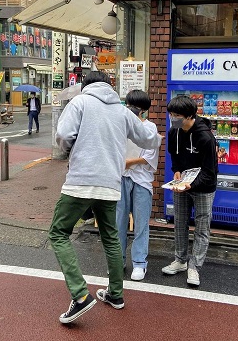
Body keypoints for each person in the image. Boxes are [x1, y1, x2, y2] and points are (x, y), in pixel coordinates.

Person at [49, 71, 162, 324]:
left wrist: (71, 152)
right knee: (111, 237)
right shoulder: (122, 111)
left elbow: (64, 135)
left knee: (58, 233)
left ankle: (80, 295)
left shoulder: (80, 102)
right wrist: (159, 136)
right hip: (111, 184)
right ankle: (116, 294)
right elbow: (148, 139)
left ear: (86, 86)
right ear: (110, 87)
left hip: (81, 181)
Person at [161, 95, 218, 286]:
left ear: (190, 116)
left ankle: (194, 266)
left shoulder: (205, 137)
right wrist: (176, 172)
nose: (173, 118)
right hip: (183, 183)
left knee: (202, 227)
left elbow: (210, 172)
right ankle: (180, 260)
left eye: (177, 115)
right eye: (171, 114)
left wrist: (190, 185)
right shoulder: (173, 132)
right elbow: (174, 156)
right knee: (180, 222)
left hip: (203, 186)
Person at [116, 90, 159, 281]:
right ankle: (118, 261)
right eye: (128, 104)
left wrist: (129, 162)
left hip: (141, 180)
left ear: (142, 109)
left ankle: (140, 263)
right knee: (119, 222)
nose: (130, 108)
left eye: (134, 106)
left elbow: (149, 156)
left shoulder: (150, 128)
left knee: (141, 224)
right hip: (121, 178)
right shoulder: (120, 125)